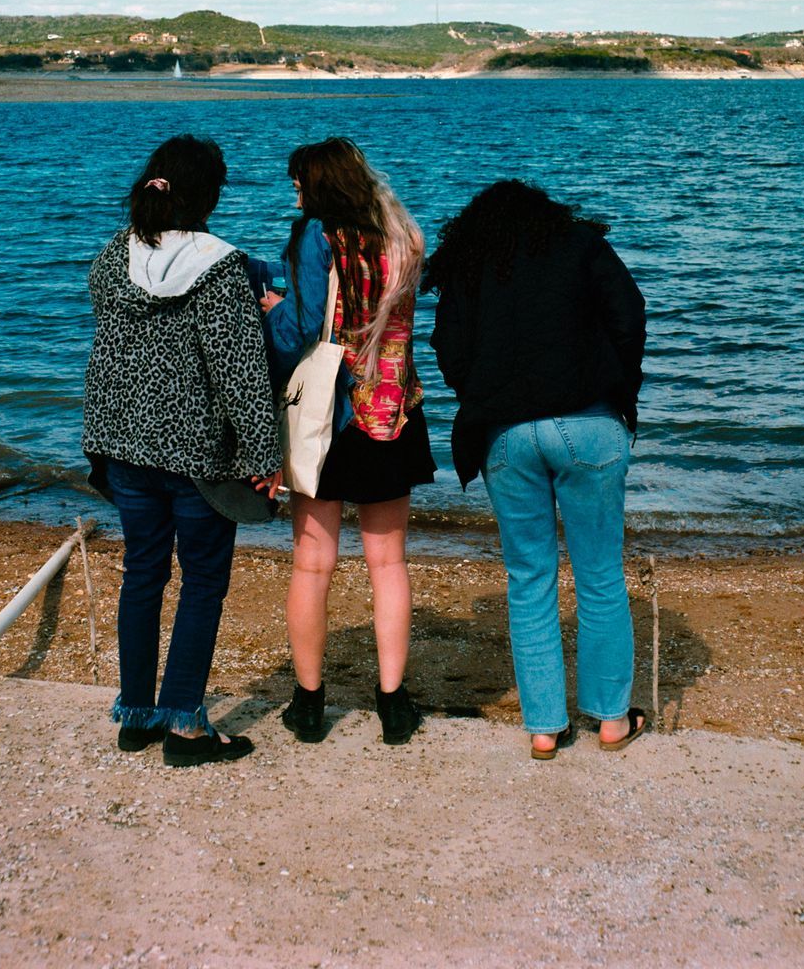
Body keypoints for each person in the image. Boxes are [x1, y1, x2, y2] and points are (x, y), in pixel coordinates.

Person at [425, 180, 647, 759]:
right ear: (548, 214)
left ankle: (545, 727)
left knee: (529, 580)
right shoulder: (581, 244)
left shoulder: (471, 263)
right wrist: (620, 391)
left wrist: (482, 391)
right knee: (600, 575)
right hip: (589, 423)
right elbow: (630, 314)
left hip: (505, 434)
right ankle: (612, 721)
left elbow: (447, 347)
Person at [83, 135, 280, 767]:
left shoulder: (115, 256)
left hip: (125, 447)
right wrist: (265, 455)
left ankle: (137, 713)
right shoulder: (222, 268)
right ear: (209, 193)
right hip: (199, 456)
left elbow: (109, 355)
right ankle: (186, 729)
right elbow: (241, 370)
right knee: (202, 583)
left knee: (142, 575)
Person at [260, 137, 433, 746]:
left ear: (319, 186)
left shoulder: (316, 236)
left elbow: (305, 328)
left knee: (312, 565)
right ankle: (393, 705)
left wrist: (273, 306)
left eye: (299, 184)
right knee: (388, 563)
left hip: (328, 419)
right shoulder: (404, 237)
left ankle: (309, 706)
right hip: (391, 412)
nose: (295, 193)